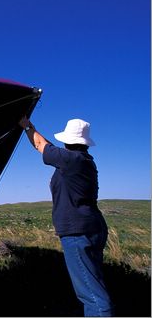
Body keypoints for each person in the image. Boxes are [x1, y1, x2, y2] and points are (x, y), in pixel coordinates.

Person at [19, 116, 114, 316]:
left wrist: (27, 125)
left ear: (68, 140)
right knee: (93, 282)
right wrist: (30, 127)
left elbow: (40, 145)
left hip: (78, 233)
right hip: (91, 227)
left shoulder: (70, 159)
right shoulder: (82, 160)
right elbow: (44, 145)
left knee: (93, 295)